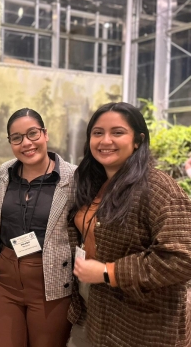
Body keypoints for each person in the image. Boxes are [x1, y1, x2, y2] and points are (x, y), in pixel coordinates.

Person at [67, 102, 191, 347]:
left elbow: (182, 258)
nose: (105, 140)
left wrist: (109, 272)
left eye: (117, 132)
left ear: (138, 140)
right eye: (98, 132)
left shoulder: (157, 187)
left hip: (143, 323)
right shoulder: (94, 182)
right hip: (94, 307)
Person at [0, 108, 75, 347]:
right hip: (6, 279)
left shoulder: (72, 178)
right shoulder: (4, 173)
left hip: (50, 281)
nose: (26, 143)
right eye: (16, 137)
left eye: (32, 134)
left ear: (45, 134)